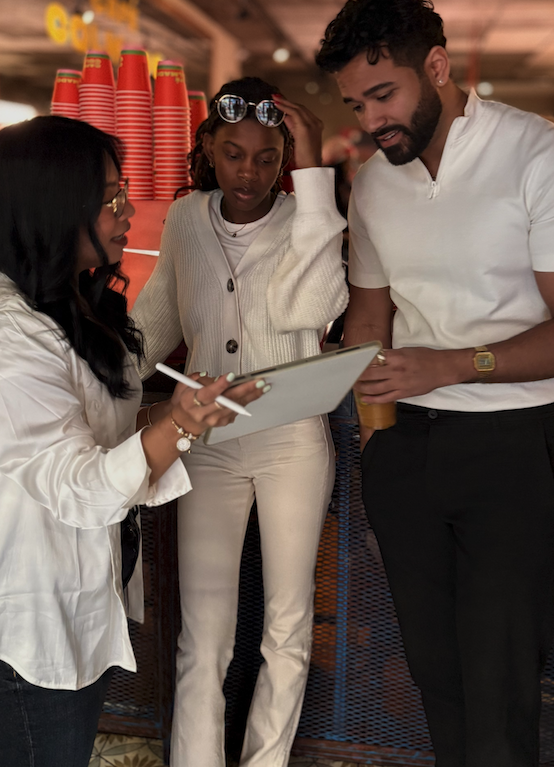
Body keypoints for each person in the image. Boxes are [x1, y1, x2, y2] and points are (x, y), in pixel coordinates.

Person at [315, 0, 554, 767]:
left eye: (384, 94)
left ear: (438, 67)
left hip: (512, 447)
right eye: (355, 103)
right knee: (431, 672)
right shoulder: (377, 181)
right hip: (406, 450)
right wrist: (358, 409)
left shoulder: (542, 158)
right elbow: (370, 318)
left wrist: (451, 365)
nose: (371, 120)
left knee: (500, 681)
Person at [0, 116, 262, 767]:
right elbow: (76, 486)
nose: (127, 209)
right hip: (17, 624)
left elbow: (98, 437)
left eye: (123, 189)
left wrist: (178, 412)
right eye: (109, 197)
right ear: (52, 205)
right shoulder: (3, 337)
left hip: (72, 605)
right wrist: (178, 425)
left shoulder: (69, 306)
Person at [132, 76, 348, 767]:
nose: (248, 171)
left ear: (284, 157)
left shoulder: (304, 215)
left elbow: (312, 309)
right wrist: (98, 380)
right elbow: (158, 317)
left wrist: (314, 181)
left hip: (291, 442)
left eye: (265, 156)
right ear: (208, 150)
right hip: (208, 438)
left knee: (286, 628)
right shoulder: (185, 219)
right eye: (233, 154)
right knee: (204, 632)